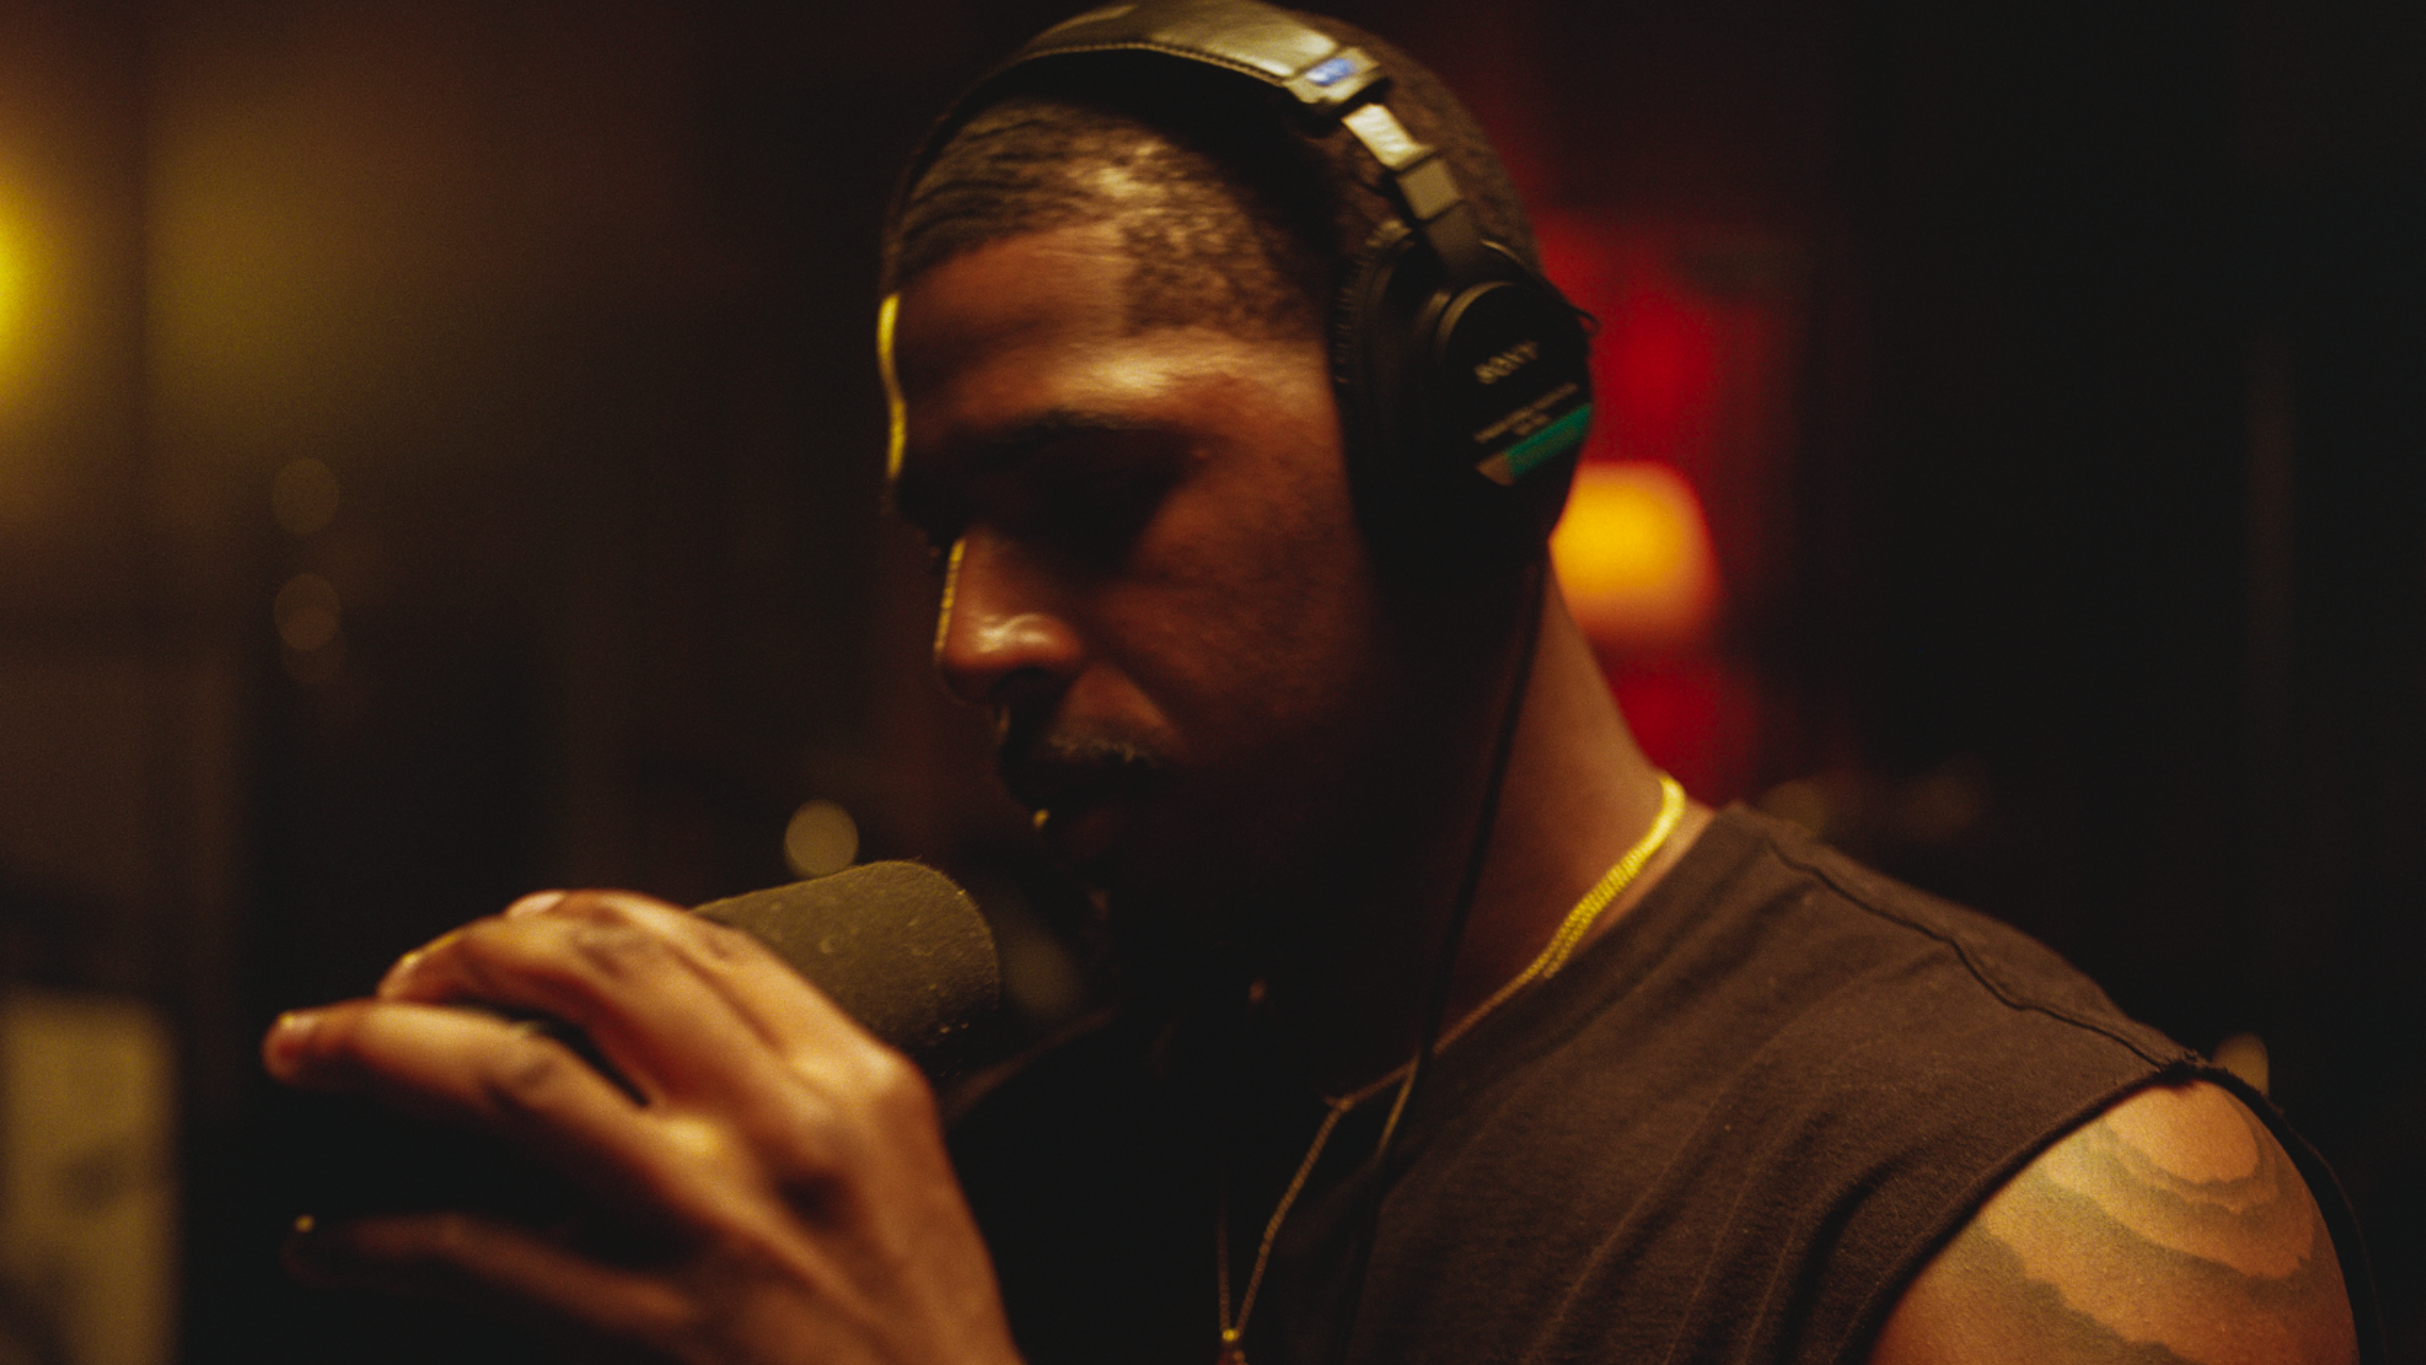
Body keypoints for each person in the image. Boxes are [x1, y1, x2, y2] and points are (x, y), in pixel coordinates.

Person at [261, 3, 2377, 1362]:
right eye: (950, 534)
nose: (970, 637)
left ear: (1472, 448)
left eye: (1090, 497)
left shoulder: (2038, 1214)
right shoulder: (1017, 1176)